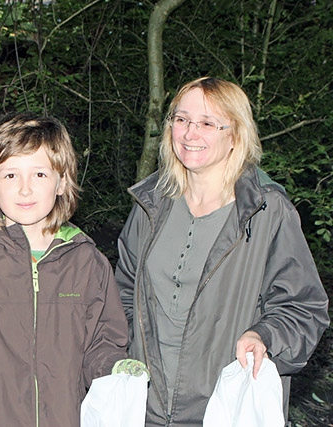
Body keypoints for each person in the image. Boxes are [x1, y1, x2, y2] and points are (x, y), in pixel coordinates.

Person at [115, 76, 330, 426]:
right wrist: (125, 358)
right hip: (144, 407)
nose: (189, 133)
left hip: (224, 409)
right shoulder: (151, 204)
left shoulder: (265, 211)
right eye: (181, 119)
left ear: (235, 135)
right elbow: (123, 290)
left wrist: (265, 336)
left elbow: (304, 308)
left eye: (207, 123)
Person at [0, 112, 131, 426]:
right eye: (10, 175)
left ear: (61, 182)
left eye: (40, 175)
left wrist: (117, 368)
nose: (25, 189)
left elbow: (103, 343)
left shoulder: (88, 263)